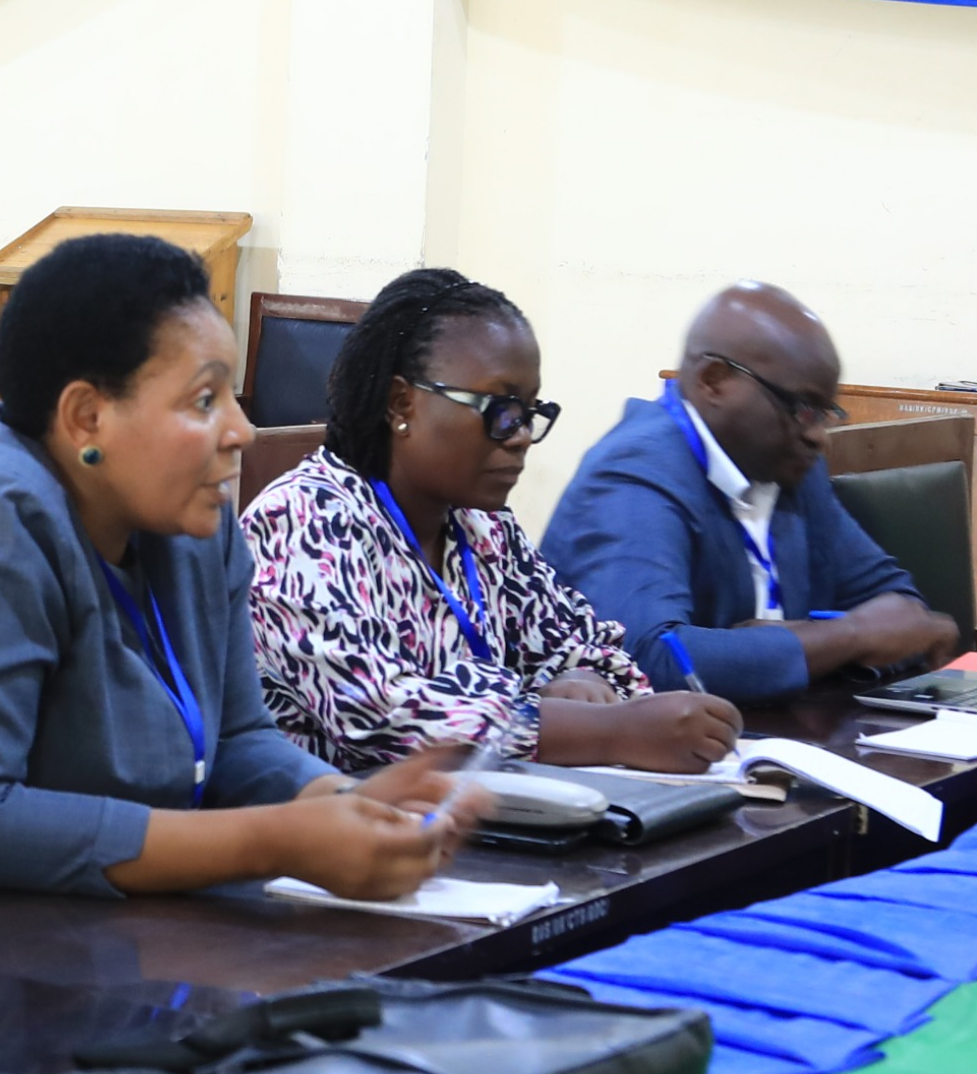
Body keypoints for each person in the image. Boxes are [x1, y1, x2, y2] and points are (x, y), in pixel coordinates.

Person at [0, 233, 482, 900]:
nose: (241, 430)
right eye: (204, 401)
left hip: (65, 930)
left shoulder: (189, 514)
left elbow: (235, 739)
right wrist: (274, 841)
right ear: (87, 417)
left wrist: (349, 804)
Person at [245, 269, 744, 775]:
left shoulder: (482, 527)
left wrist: (585, 683)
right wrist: (607, 729)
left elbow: (592, 648)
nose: (521, 435)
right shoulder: (300, 523)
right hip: (333, 814)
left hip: (481, 810)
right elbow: (389, 721)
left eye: (530, 412)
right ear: (402, 403)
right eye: (500, 410)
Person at [538, 282, 962, 699]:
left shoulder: (788, 465)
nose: (819, 436)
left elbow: (901, 613)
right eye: (803, 408)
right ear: (713, 380)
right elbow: (646, 660)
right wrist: (848, 636)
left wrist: (802, 641)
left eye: (826, 412)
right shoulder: (634, 474)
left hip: (779, 731)